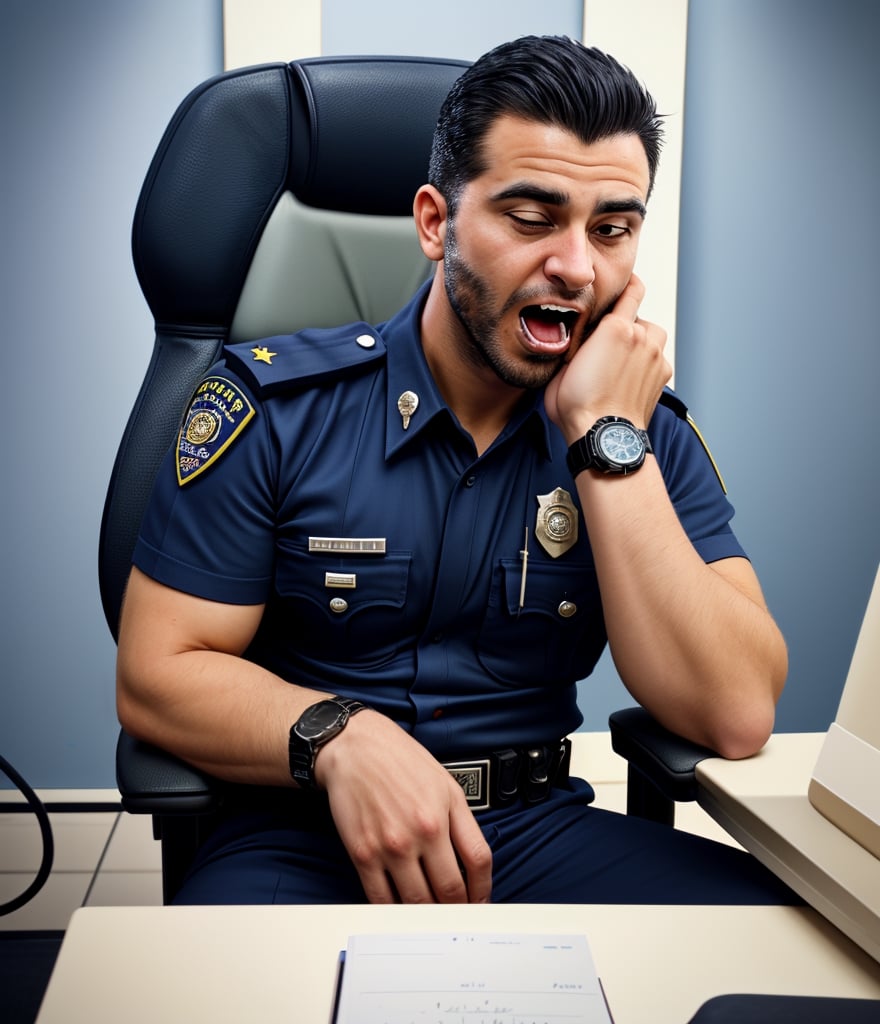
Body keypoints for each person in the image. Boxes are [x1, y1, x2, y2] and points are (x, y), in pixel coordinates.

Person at [117, 35, 796, 906]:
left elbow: (734, 712)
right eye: (531, 217)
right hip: (303, 834)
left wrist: (604, 441)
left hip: (535, 834)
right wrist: (340, 736)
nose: (578, 268)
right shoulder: (272, 408)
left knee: (787, 954)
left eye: (613, 229)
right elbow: (157, 672)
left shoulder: (639, 431)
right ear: (436, 223)